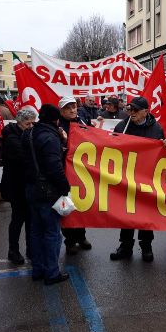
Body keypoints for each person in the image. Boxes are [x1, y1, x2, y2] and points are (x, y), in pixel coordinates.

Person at [110, 97, 165, 262]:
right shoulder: (122, 126)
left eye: (135, 110)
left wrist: (165, 145)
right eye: (130, 109)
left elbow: (162, 153)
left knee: (145, 214)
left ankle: (146, 246)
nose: (132, 112)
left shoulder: (156, 128)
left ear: (146, 111)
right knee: (127, 213)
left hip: (147, 178)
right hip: (127, 177)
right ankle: (125, 246)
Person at [21, 104, 69, 285]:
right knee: (52, 232)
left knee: (36, 231)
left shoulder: (29, 133)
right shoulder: (50, 137)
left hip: (31, 187)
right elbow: (54, 166)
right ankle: (51, 273)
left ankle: (38, 269)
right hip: (48, 190)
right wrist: (64, 187)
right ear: (56, 120)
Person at [58, 96, 92, 254]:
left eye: (74, 107)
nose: (72, 110)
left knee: (81, 205)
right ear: (61, 111)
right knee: (67, 207)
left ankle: (81, 236)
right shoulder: (58, 126)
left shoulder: (82, 121)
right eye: (68, 108)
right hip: (65, 171)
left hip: (81, 171)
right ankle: (70, 240)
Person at [3, 108, 37, 265]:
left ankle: (31, 248)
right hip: (16, 185)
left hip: (28, 183)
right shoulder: (12, 138)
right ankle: (13, 250)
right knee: (18, 219)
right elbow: (24, 157)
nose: (31, 126)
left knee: (30, 219)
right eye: (27, 124)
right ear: (19, 123)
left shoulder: (27, 134)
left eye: (33, 123)